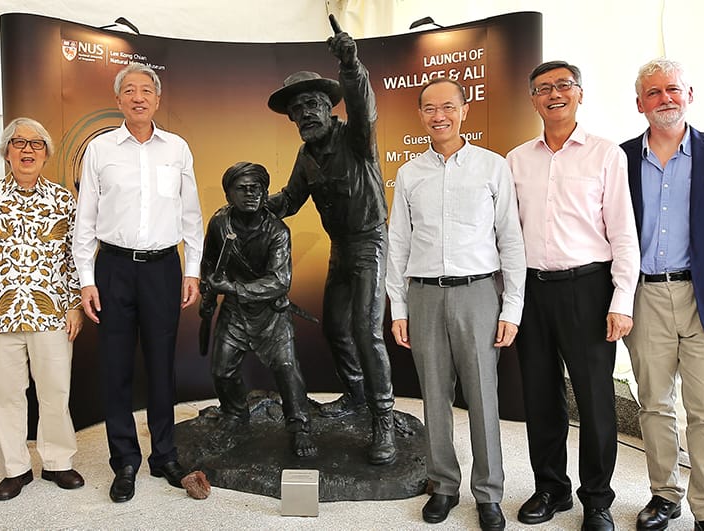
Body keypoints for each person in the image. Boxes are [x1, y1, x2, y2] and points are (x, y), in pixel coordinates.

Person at [618, 59, 704, 531]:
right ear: (639, 104)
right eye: (653, 93)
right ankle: (664, 494)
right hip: (645, 297)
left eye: (672, 90)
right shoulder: (620, 158)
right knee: (653, 403)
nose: (665, 99)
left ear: (690, 94)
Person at [506, 60, 640, 531]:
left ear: (580, 93)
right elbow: (508, 234)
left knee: (596, 400)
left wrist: (622, 300)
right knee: (540, 398)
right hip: (532, 290)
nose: (554, 94)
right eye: (543, 88)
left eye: (564, 85)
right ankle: (550, 490)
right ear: (533, 99)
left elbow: (624, 232)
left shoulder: (606, 154)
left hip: (589, 288)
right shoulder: (517, 159)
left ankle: (598, 501)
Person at [386, 77, 524, 531]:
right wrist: (399, 308)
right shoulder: (409, 173)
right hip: (424, 294)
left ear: (465, 110)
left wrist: (511, 308)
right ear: (421, 115)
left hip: (478, 293)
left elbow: (511, 240)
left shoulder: (492, 167)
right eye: (429, 108)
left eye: (448, 106)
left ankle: (489, 494)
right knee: (435, 395)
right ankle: (443, 485)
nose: (439, 115)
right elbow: (398, 245)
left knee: (484, 396)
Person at [265, 29, 397, 465]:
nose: (305, 113)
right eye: (296, 109)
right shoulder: (306, 157)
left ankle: (383, 420)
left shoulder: (356, 138)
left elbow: (364, 104)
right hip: (341, 248)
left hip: (370, 244)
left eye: (311, 104)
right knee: (335, 329)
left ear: (328, 106)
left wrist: (350, 65)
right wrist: (250, 206)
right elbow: (289, 200)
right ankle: (358, 396)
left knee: (365, 330)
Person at [74, 62, 203, 503]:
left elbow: (192, 216)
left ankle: (164, 454)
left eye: (145, 90)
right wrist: (87, 280)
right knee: (115, 366)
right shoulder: (100, 149)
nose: (138, 97)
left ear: (157, 98)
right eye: (129, 91)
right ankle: (124, 459)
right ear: (118, 100)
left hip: (163, 268)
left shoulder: (177, 149)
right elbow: (84, 221)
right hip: (113, 269)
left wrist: (192, 271)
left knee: (161, 363)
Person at [0, 117, 86, 502]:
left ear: (46, 153)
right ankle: (16, 468)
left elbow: (75, 258)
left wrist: (75, 304)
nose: (27, 150)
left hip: (51, 313)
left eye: (35, 144)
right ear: (6, 153)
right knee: (4, 393)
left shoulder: (64, 201)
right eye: (18, 143)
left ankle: (57, 461)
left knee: (55, 389)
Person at [198, 161, 314, 457]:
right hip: (235, 312)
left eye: (258, 188)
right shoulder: (220, 223)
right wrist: (208, 291)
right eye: (242, 189)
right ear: (228, 194)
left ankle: (299, 426)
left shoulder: (277, 231)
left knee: (287, 369)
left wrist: (232, 288)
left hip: (271, 314)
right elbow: (209, 261)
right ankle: (236, 413)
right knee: (222, 370)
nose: (251, 194)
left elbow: (279, 281)